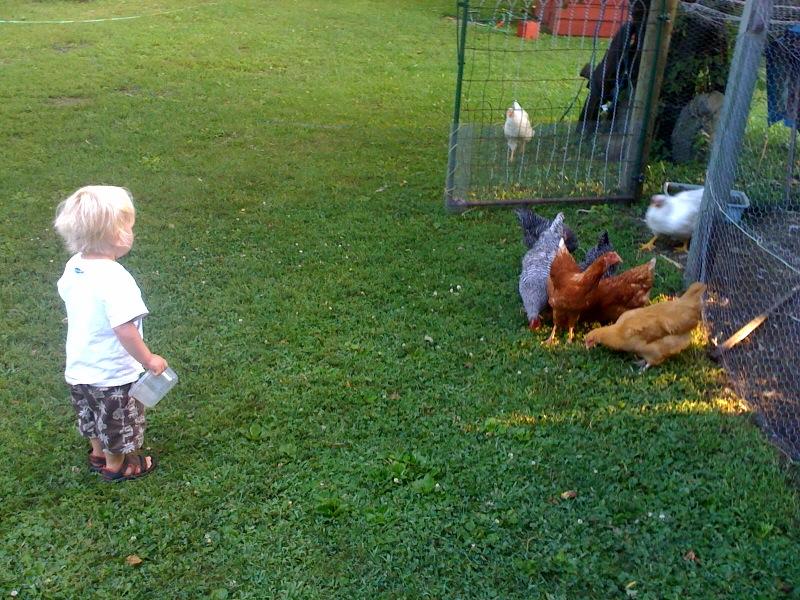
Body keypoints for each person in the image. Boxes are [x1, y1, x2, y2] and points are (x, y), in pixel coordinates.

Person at [54, 185, 167, 482]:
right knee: (118, 421)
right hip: (112, 372)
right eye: (129, 227)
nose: (132, 232)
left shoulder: (75, 265)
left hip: (80, 366)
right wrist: (148, 360)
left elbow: (67, 292)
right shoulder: (117, 279)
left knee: (91, 413)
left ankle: (98, 454)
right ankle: (118, 467)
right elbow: (124, 329)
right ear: (118, 235)